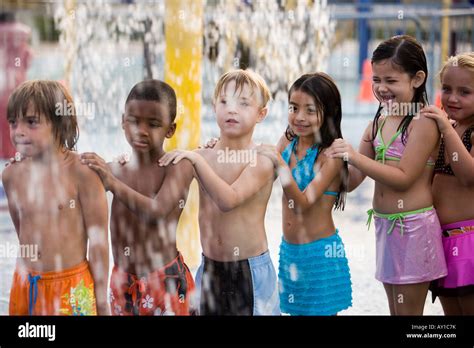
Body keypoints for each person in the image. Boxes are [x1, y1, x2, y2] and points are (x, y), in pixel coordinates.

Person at [325, 35, 448, 315]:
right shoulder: (377, 124)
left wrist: (354, 156)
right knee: (395, 311)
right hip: (385, 228)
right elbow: (353, 181)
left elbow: (404, 177)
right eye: (376, 79)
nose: (381, 88)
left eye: (391, 81)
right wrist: (317, 162)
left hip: (414, 228)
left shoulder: (424, 123)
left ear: (417, 79)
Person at [159, 69, 280, 315]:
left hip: (248, 271)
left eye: (243, 103)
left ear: (261, 114)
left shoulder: (263, 158)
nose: (232, 109)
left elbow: (229, 200)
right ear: (214, 107)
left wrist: (195, 160)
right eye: (224, 102)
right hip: (210, 268)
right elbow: (162, 200)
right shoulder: (202, 156)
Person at [80, 80, 196, 315]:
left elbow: (158, 210)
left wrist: (112, 183)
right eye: (133, 121)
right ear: (123, 122)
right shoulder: (115, 169)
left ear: (170, 130)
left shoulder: (178, 166)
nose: (141, 130)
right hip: (122, 281)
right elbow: (71, 183)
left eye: (153, 124)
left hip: (166, 282)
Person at [2, 80, 110, 315]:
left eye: (31, 122)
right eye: (13, 122)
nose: (18, 131)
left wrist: (102, 304)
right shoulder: (11, 175)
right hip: (26, 285)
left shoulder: (83, 173)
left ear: (60, 123)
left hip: (71, 287)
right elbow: (23, 233)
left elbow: (99, 245)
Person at [258, 72, 352, 315]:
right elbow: (258, 176)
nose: (299, 117)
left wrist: (280, 163)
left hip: (320, 255)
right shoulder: (289, 141)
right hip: (291, 252)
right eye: (294, 107)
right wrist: (222, 150)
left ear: (328, 112)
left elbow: (303, 203)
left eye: (310, 110)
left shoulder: (330, 155)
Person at [421, 52, 474, 315]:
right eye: (447, 89)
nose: (452, 98)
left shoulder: (466, 132)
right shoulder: (445, 130)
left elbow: (468, 176)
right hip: (441, 241)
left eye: (465, 92)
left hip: (469, 240)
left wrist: (446, 130)